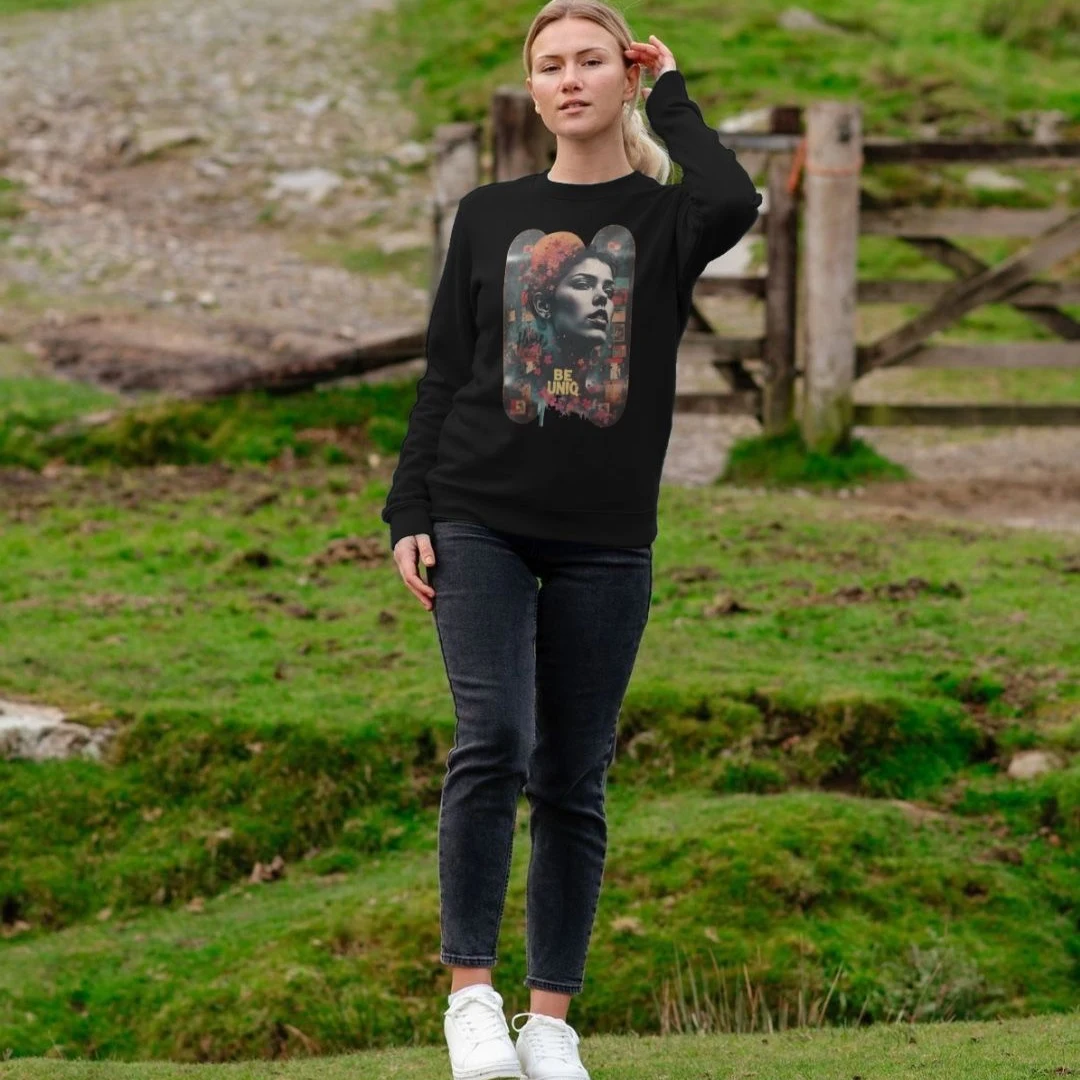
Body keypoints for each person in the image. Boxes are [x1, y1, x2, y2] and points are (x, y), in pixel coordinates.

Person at [380, 3, 761, 1077]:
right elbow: (446, 372)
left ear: (622, 76)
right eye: (550, 66)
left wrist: (671, 92)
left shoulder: (666, 219)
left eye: (592, 60)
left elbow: (733, 196)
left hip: (606, 538)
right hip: (477, 516)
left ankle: (549, 1025)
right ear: (534, 89)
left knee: (574, 775)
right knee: (493, 740)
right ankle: (471, 1000)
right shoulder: (490, 213)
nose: (570, 80)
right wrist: (409, 511)